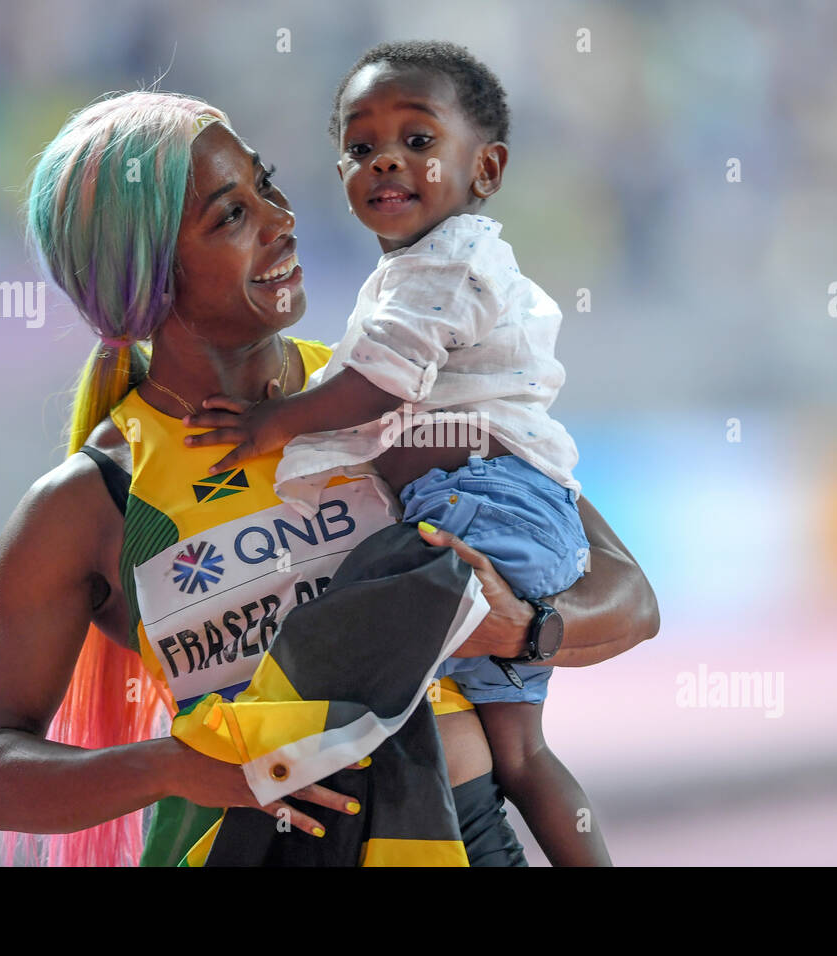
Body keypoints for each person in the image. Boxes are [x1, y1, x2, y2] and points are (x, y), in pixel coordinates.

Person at [0, 88, 659, 867]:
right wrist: (179, 766)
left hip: (460, 839)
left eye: (269, 184)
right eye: (231, 215)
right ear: (146, 275)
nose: (282, 220)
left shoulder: (399, 385)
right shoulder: (87, 504)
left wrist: (526, 628)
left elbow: (630, 599)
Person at [189, 41, 606, 866]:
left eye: (418, 141)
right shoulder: (413, 272)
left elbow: (383, 379)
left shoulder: (445, 264)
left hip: (486, 504)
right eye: (359, 145)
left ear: (485, 168)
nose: (384, 159)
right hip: (506, 505)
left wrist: (274, 426)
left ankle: (275, 750)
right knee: (521, 754)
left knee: (355, 618)